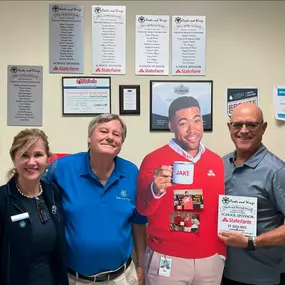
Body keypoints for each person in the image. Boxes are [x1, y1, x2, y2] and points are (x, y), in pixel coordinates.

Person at [45, 114, 147, 285]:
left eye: (116, 134)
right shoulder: (61, 169)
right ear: (89, 137)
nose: (110, 137)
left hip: (121, 277)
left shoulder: (131, 172)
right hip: (73, 278)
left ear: (121, 144)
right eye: (103, 131)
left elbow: (138, 222)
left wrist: (142, 264)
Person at [136, 96, 225, 285]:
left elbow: (217, 210)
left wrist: (220, 254)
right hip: (168, 259)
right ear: (171, 126)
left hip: (209, 261)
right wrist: (155, 189)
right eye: (183, 123)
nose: (192, 129)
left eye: (197, 120)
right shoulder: (153, 160)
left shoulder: (216, 161)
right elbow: (143, 209)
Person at [220, 103, 285, 285]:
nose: (244, 130)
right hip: (223, 272)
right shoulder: (221, 165)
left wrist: (252, 241)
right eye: (237, 125)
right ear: (229, 127)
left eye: (251, 124)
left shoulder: (277, 172)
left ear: (263, 128)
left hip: (263, 277)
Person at [0, 129, 68, 285]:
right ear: (14, 159)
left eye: (38, 155)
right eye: (24, 155)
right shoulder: (3, 199)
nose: (31, 162)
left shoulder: (53, 192)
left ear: (47, 159)